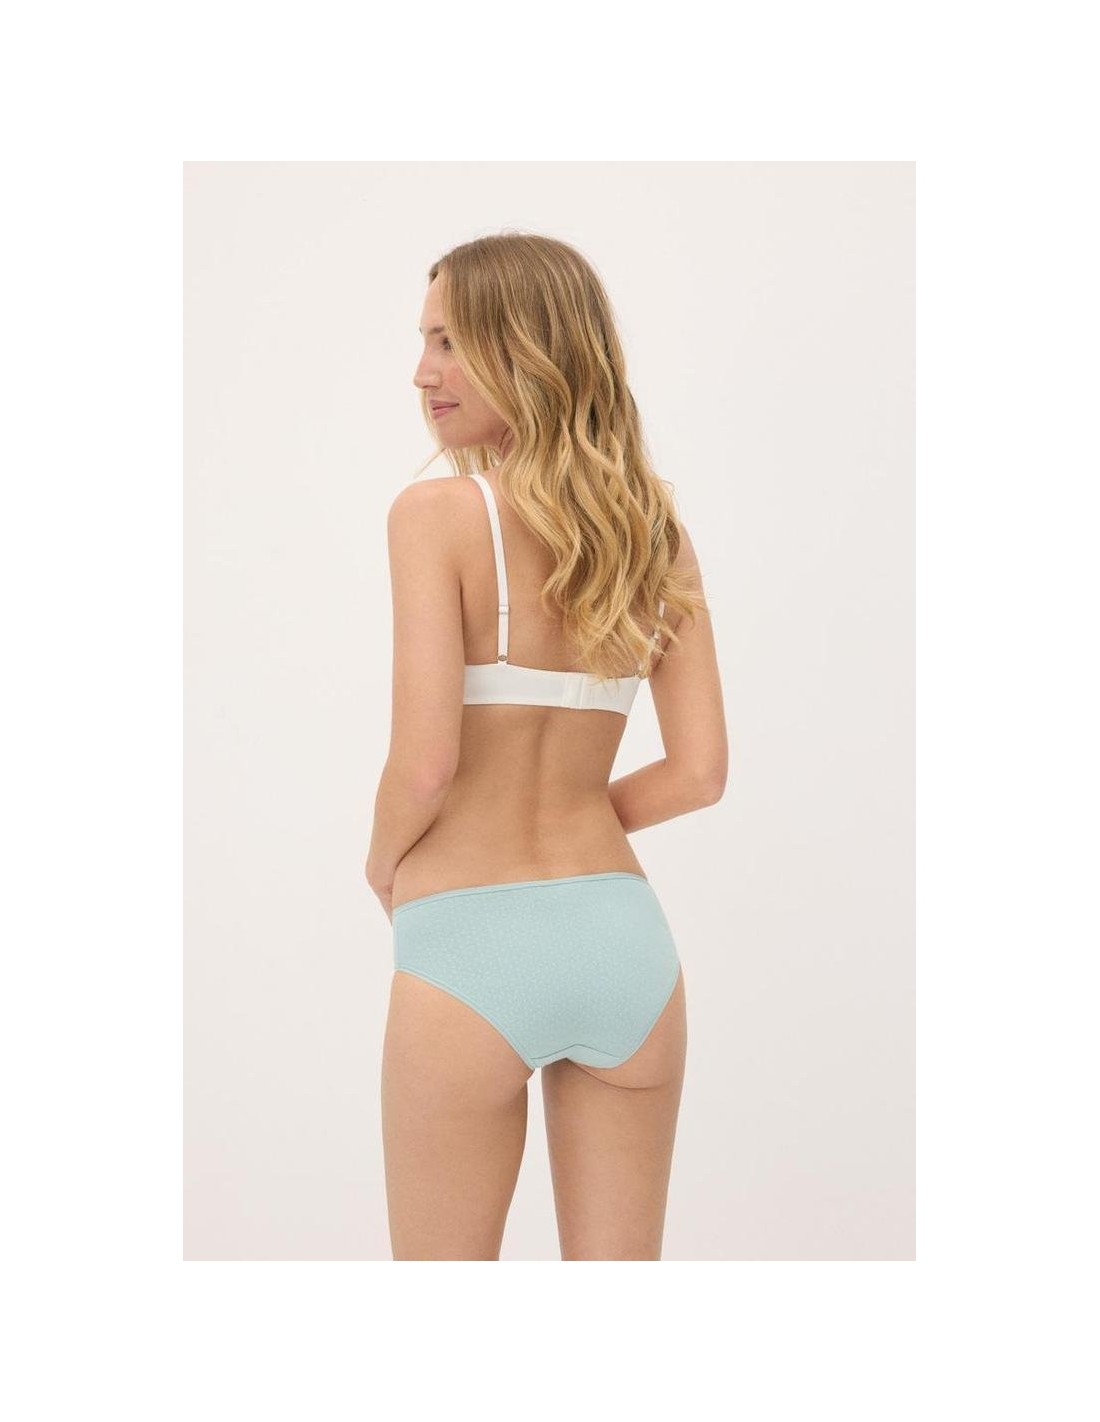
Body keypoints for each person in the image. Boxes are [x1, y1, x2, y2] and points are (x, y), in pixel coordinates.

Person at [365, 233, 727, 1260]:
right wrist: (576, 815)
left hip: (465, 942)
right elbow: (700, 772)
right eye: (423, 340)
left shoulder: (434, 515)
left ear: (528, 348)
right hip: (624, 942)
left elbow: (425, 763)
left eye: (450, 340)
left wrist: (384, 864)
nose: (422, 371)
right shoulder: (652, 532)